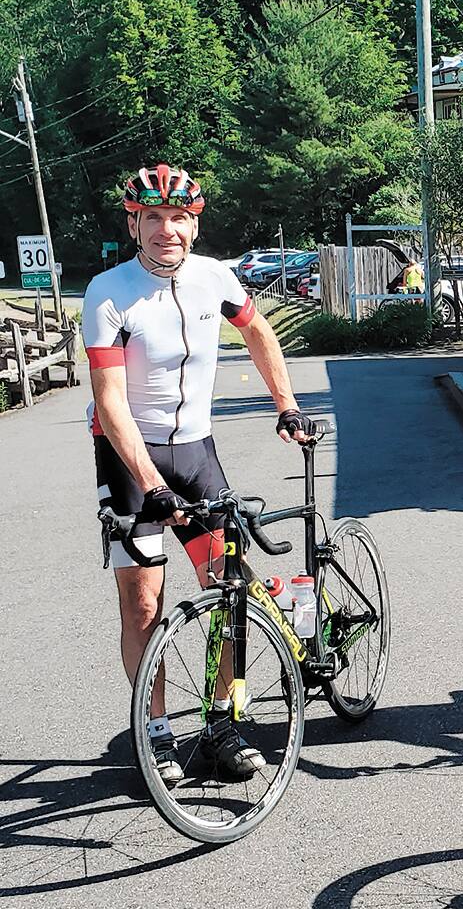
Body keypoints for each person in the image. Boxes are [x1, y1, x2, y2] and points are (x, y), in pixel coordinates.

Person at [83, 165, 317, 784]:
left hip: (195, 452)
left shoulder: (215, 277)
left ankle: (221, 724)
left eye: (178, 218)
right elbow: (110, 401)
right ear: (134, 224)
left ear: (194, 224)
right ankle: (156, 732)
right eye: (153, 218)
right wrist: (151, 486)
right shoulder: (108, 292)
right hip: (129, 458)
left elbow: (258, 332)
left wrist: (287, 406)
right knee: (143, 604)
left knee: (229, 587)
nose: (167, 229)